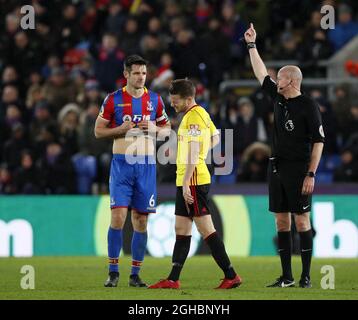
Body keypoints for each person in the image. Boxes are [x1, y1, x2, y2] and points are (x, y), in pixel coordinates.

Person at [244, 24, 325, 288]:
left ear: (290, 81)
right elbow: (259, 72)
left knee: (302, 219)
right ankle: (287, 276)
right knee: (281, 219)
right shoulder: (278, 98)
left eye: (279, 77)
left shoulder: (308, 106)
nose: (275, 81)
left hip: (299, 168)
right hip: (276, 166)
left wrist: (311, 173)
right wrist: (252, 45)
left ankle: (306, 276)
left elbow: (318, 141)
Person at [148, 79, 242, 290]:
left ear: (189, 98)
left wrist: (187, 181)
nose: (173, 105)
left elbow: (192, 153)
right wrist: (200, 151)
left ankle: (231, 275)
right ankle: (172, 279)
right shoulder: (202, 113)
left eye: (176, 101)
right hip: (189, 177)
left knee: (206, 229)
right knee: (181, 228)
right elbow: (216, 138)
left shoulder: (193, 119)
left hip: (192, 180)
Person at [94, 55, 171, 287]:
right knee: (118, 217)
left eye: (144, 73)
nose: (141, 77)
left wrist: (156, 128)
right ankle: (113, 271)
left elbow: (167, 131)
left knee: (141, 221)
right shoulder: (113, 99)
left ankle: (135, 275)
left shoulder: (155, 100)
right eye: (136, 73)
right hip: (122, 165)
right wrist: (120, 129)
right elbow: (98, 131)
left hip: (146, 166)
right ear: (126, 74)